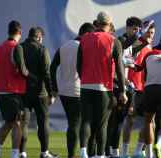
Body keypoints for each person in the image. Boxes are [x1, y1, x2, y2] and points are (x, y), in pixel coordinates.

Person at [77, 11, 127, 158]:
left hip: (86, 86)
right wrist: (123, 91)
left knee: (86, 121)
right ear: (110, 24)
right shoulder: (114, 41)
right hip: (104, 88)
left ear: (96, 23)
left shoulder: (84, 39)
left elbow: (78, 65)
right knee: (102, 124)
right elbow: (119, 68)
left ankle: (84, 152)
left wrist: (84, 79)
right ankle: (99, 155)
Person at [50, 23, 95, 158]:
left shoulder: (64, 46)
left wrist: (55, 88)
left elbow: (52, 67)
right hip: (79, 90)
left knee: (73, 123)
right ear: (86, 34)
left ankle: (73, 153)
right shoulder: (85, 47)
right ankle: (82, 152)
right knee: (81, 123)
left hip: (64, 91)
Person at [0, 20, 32, 158]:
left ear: (9, 31)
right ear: (20, 32)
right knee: (18, 124)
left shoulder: (0, 48)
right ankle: (14, 154)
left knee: (9, 122)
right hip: (13, 91)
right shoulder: (16, 47)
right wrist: (33, 78)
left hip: (0, 90)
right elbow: (23, 70)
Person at [105, 16, 143, 158]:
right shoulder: (120, 40)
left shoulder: (131, 44)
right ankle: (110, 151)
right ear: (127, 28)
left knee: (119, 121)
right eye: (134, 29)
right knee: (113, 122)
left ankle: (112, 151)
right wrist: (138, 37)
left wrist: (144, 42)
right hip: (114, 86)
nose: (135, 32)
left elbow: (130, 56)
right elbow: (125, 47)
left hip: (124, 86)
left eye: (138, 29)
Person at [19, 27, 58, 158]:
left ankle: (22, 152)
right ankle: (44, 152)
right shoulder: (42, 49)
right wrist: (51, 93)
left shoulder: (20, 47)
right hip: (40, 93)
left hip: (23, 91)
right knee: (43, 123)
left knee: (23, 122)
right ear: (39, 37)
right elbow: (47, 73)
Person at [134, 31, 161, 158]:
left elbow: (143, 74)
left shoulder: (149, 54)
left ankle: (150, 154)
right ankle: (159, 145)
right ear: (160, 41)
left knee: (148, 122)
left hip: (150, 90)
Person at [121, 20, 156, 158]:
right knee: (129, 119)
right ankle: (124, 152)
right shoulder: (136, 45)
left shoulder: (150, 47)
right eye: (148, 31)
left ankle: (138, 150)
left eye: (152, 33)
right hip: (134, 88)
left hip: (145, 88)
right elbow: (127, 61)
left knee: (150, 122)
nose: (150, 35)